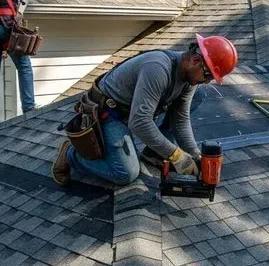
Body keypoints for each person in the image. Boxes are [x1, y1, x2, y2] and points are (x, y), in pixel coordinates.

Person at [51, 35, 238, 187]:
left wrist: (195, 155)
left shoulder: (190, 76)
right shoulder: (157, 68)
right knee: (125, 174)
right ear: (196, 60)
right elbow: (139, 122)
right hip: (109, 113)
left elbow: (180, 119)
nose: (206, 82)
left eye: (211, 79)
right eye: (207, 76)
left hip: (134, 110)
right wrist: (176, 155)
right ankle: (70, 155)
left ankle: (154, 152)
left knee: (198, 96)